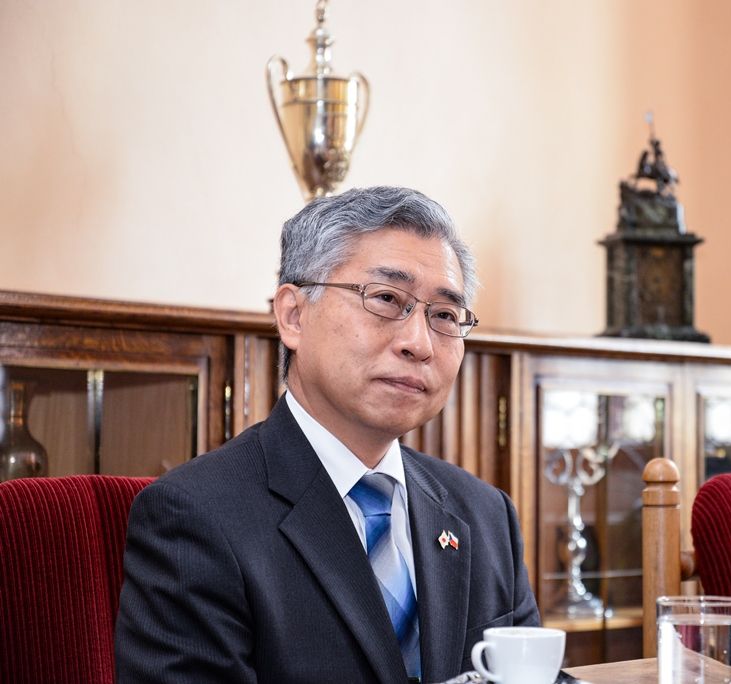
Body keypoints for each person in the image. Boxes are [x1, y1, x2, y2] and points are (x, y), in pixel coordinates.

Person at [115, 186, 540, 683]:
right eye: (385, 299)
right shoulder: (196, 517)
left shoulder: (485, 515)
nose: (419, 343)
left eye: (444, 315)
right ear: (293, 315)